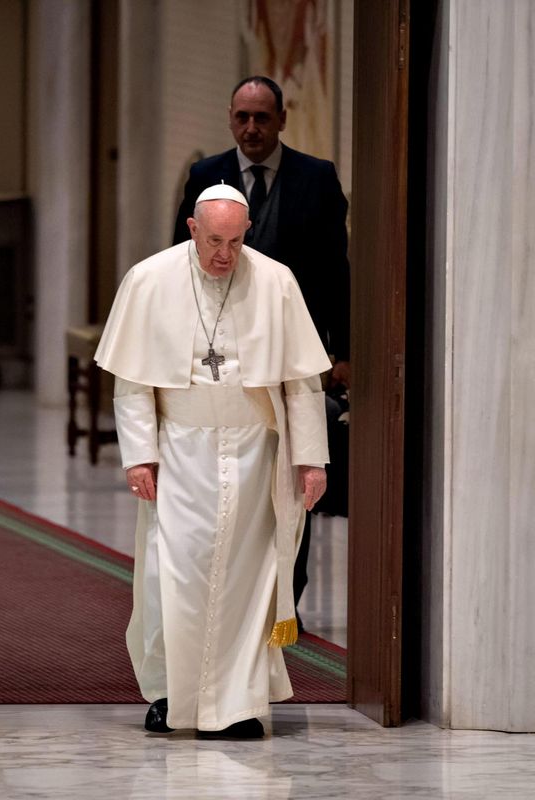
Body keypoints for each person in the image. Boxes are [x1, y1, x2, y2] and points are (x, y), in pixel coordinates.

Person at [96, 184, 330, 739]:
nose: (225, 254)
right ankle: (169, 695)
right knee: (170, 576)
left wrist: (312, 459)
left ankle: (238, 705)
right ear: (191, 228)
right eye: (214, 240)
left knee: (248, 580)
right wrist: (140, 457)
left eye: (235, 241)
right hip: (180, 448)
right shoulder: (149, 280)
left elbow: (302, 384)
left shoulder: (275, 281)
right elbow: (132, 384)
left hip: (256, 450)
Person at [172, 75, 350, 628]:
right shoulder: (206, 176)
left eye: (262, 118)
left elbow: (336, 272)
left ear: (281, 121)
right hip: (218, 362)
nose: (252, 128)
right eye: (243, 117)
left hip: (292, 359)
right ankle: (221, 603)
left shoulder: (316, 179)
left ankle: (283, 608)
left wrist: (342, 351)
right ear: (230, 118)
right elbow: (180, 266)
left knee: (292, 485)